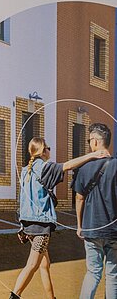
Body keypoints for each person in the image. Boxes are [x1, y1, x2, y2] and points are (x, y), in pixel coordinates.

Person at [10, 136, 109, 299]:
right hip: (40, 228)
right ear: (43, 151)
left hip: (29, 226)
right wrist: (92, 155)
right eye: (48, 148)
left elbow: (23, 200)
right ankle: (15, 295)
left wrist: (22, 226)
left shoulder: (25, 170)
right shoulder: (44, 167)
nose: (50, 151)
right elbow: (68, 165)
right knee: (32, 264)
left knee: (45, 265)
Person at [74, 123, 117, 299]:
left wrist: (79, 226)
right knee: (113, 275)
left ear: (96, 141)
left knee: (93, 273)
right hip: (114, 230)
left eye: (89, 140)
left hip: (91, 228)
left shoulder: (84, 167)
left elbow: (79, 198)